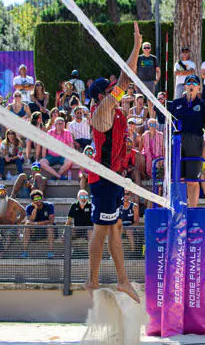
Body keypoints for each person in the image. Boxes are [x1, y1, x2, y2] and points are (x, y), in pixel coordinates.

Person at [84, 22, 143, 303]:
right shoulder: (102, 111)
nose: (114, 92)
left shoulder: (113, 110)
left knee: (113, 228)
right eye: (108, 90)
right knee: (104, 228)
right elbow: (125, 81)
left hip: (114, 177)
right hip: (105, 178)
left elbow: (123, 81)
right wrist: (135, 47)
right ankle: (97, 280)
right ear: (100, 95)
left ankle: (114, 281)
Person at [169, 74, 205, 208]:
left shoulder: (203, 104)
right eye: (189, 83)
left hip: (195, 141)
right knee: (176, 179)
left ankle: (192, 208)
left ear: (199, 87)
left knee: (193, 180)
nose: (191, 85)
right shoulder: (176, 103)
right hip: (177, 141)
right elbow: (167, 123)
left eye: (194, 83)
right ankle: (178, 208)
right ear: (185, 86)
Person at [0, 185, 26, 257]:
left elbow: (24, 212)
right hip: (2, 229)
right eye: (0, 191)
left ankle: (2, 254)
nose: (2, 193)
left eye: (4, 191)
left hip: (13, 227)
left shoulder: (12, 202)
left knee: (9, 234)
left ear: (6, 192)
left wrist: (18, 221)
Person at [22, 190, 55, 259]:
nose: (38, 200)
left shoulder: (49, 205)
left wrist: (36, 223)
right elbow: (30, 220)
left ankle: (50, 252)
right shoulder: (29, 207)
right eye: (35, 199)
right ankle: (24, 252)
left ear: (42, 198)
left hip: (46, 230)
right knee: (27, 226)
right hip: (35, 231)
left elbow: (51, 220)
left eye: (39, 198)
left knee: (50, 226)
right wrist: (35, 208)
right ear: (32, 200)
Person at [119, 190, 140, 256]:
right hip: (121, 226)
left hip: (131, 226)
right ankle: (117, 253)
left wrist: (129, 227)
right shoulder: (118, 205)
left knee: (129, 231)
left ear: (130, 195)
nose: (125, 196)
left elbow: (136, 222)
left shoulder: (134, 206)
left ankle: (133, 252)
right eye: (123, 194)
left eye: (127, 194)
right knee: (117, 231)